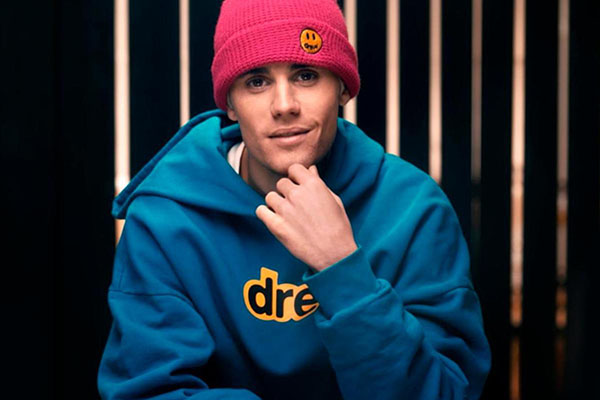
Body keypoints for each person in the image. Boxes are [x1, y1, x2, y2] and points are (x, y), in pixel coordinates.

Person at [97, 0, 491, 399]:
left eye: (306, 75)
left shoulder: (413, 209)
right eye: (256, 81)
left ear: (342, 88)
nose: (284, 105)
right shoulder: (166, 218)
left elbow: (444, 391)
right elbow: (150, 390)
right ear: (230, 103)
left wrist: (342, 269)